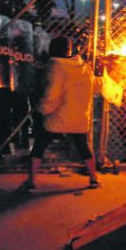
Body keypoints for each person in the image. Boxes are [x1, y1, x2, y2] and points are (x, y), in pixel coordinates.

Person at [20, 36, 100, 191]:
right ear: (70, 49)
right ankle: (93, 178)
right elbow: (91, 88)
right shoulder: (85, 67)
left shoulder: (55, 66)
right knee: (83, 146)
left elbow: (52, 93)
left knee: (40, 145)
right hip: (79, 116)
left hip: (58, 116)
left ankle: (31, 181)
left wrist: (42, 109)